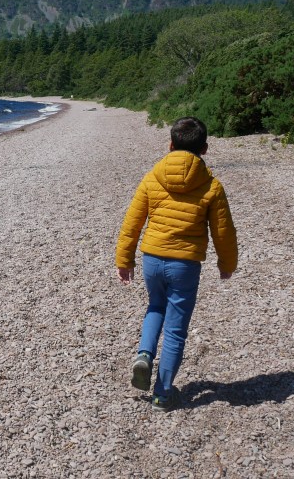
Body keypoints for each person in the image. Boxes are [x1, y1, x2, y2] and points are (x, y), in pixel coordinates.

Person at [115, 116, 238, 412]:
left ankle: (144, 354)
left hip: (152, 259)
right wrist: (227, 263)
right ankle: (163, 392)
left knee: (155, 306)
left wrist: (124, 258)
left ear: (170, 145)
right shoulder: (211, 185)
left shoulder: (152, 177)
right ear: (205, 149)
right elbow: (223, 230)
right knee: (175, 329)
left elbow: (133, 221)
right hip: (185, 264)